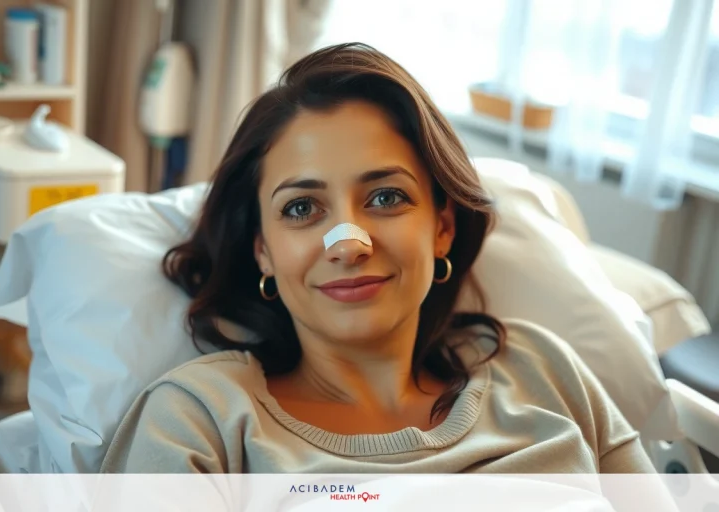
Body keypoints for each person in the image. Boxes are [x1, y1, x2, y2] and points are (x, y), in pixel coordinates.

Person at [100, 43, 658, 476]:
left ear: (441, 228)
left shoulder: (545, 372)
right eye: (301, 208)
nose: (348, 242)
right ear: (263, 251)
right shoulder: (199, 421)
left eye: (386, 197)